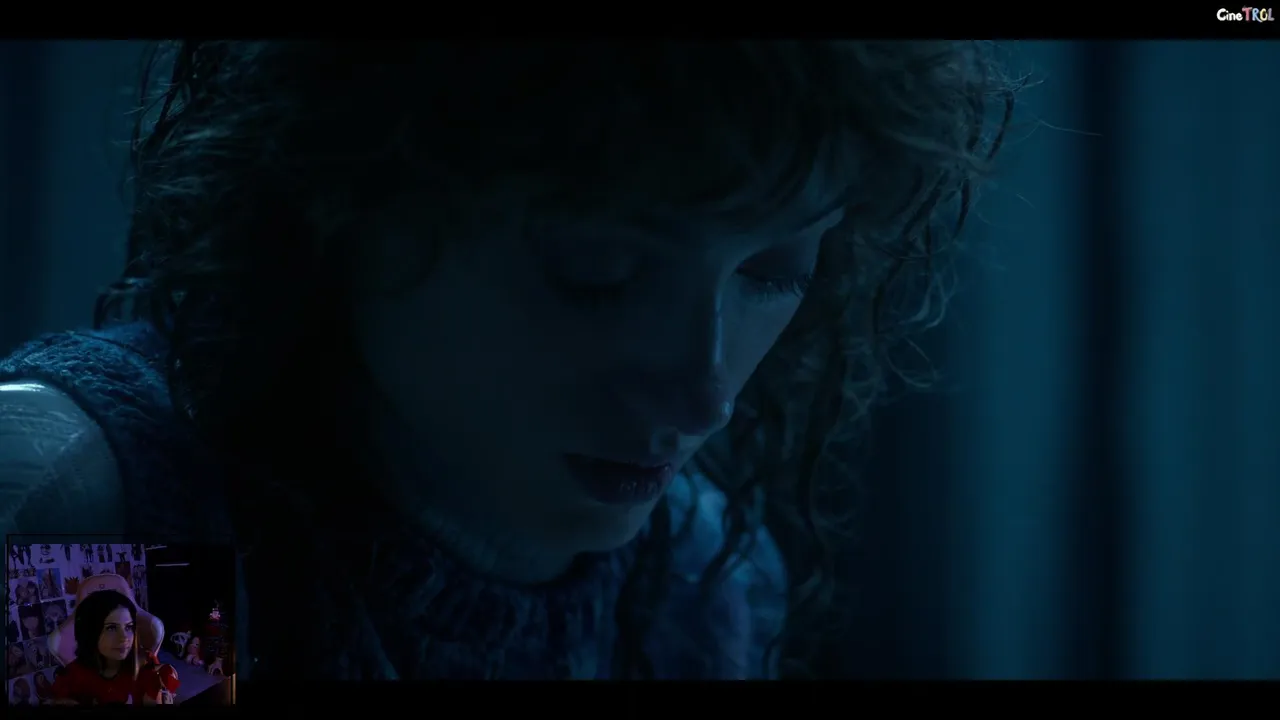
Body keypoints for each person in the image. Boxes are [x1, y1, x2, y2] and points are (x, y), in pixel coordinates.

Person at [0, 41, 1019, 679]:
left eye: (774, 269)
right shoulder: (125, 516)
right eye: (596, 270)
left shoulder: (700, 581)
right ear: (352, 196)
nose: (702, 390)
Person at [48, 589, 178, 705]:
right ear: (90, 632)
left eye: (128, 627)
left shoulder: (144, 662)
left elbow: (168, 681)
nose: (124, 638)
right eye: (111, 628)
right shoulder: (72, 677)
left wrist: (164, 688)